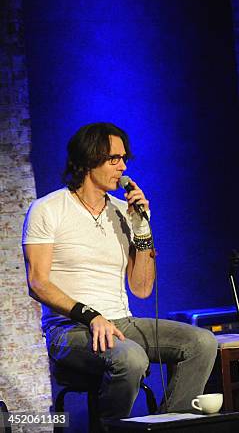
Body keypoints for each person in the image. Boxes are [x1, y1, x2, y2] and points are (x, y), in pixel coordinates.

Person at [22, 122, 218, 424]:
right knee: (130, 357)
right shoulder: (48, 209)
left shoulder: (121, 210)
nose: (123, 166)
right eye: (114, 159)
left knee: (202, 343)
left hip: (121, 322)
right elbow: (38, 283)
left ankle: (169, 426)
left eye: (124, 158)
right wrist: (91, 316)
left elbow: (141, 289)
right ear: (89, 160)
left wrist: (141, 229)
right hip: (70, 328)